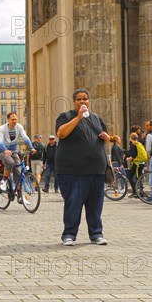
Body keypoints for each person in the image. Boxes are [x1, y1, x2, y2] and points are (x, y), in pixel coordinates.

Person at [55, 88, 110, 246]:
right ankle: (69, 235)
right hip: (73, 170)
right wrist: (78, 117)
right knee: (74, 203)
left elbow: (104, 135)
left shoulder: (96, 118)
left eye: (85, 99)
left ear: (89, 100)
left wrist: (107, 137)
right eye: (79, 99)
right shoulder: (65, 117)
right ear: (74, 102)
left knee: (95, 205)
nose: (82, 102)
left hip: (96, 170)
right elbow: (61, 134)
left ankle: (96, 234)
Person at [0, 112, 36, 193]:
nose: (14, 121)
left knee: (18, 169)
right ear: (8, 120)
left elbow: (25, 138)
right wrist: (5, 150)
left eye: (15, 119)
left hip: (13, 151)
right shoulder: (2, 128)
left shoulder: (19, 127)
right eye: (12, 119)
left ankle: (20, 195)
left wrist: (31, 148)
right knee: (10, 162)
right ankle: (4, 181)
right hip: (2, 151)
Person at [125, 132, 146, 198]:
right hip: (142, 163)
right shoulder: (139, 143)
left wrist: (128, 158)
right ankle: (140, 193)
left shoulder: (133, 144)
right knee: (139, 177)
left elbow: (134, 155)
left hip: (137, 163)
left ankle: (135, 192)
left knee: (130, 176)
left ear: (130, 138)